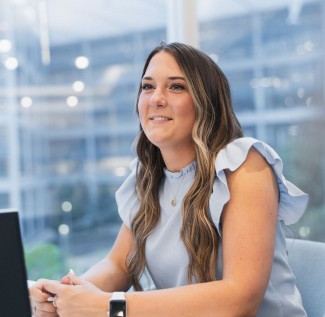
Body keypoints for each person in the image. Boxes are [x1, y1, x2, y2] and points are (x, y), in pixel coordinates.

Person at [29, 42, 309, 317]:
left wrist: (109, 306)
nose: (156, 98)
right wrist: (67, 294)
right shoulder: (148, 177)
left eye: (176, 86)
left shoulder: (244, 163)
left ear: (206, 102)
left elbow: (240, 297)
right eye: (147, 87)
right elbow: (117, 265)